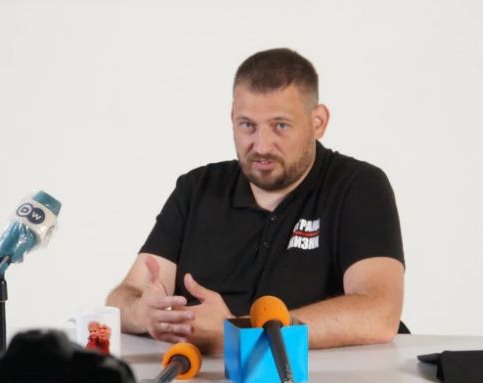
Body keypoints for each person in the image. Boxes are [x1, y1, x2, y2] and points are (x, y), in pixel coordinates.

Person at [106, 48, 405, 354]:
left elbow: (379, 314)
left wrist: (239, 331)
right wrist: (142, 313)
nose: (261, 146)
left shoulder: (358, 186)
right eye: (247, 125)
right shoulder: (197, 188)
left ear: (318, 121)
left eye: (280, 126)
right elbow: (125, 296)